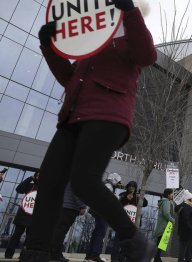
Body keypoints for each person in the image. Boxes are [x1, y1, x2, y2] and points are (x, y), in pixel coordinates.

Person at [22, 0, 157, 260]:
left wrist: (130, 11)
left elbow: (147, 55)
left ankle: (134, 240)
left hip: (108, 115)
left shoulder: (129, 35)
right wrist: (49, 46)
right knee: (49, 181)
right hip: (73, 119)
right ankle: (36, 252)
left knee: (84, 180)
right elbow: (69, 78)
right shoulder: (90, 43)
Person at [85, 172, 122, 262]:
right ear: (114, 180)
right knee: (100, 233)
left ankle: (89, 255)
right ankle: (94, 255)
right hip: (102, 213)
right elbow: (107, 200)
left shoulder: (105, 184)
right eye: (118, 182)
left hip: (98, 211)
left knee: (96, 233)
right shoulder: (108, 186)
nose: (118, 185)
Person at [112, 180, 149, 261]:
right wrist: (125, 198)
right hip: (122, 223)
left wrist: (141, 197)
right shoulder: (123, 195)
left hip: (132, 224)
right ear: (127, 187)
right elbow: (118, 203)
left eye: (133, 187)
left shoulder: (137, 196)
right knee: (117, 243)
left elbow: (145, 203)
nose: (131, 188)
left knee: (128, 245)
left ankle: (122, 259)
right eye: (130, 186)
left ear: (135, 188)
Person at [5, 173, 39, 259]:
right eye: (38, 175)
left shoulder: (45, 188)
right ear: (35, 176)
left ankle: (24, 256)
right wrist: (30, 178)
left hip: (35, 216)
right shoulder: (30, 185)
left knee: (29, 239)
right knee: (16, 235)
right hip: (23, 214)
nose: (40, 177)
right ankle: (8, 255)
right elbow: (19, 189)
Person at [50, 184, 86, 262]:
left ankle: (55, 253)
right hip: (69, 208)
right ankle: (55, 254)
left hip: (66, 207)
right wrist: (82, 206)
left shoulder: (69, 179)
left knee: (59, 231)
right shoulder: (75, 178)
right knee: (61, 231)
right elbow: (76, 192)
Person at [176, 191, 192, 262]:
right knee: (183, 248)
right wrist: (190, 228)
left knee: (187, 247)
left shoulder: (188, 206)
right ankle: (181, 260)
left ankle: (188, 260)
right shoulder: (186, 206)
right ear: (189, 198)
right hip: (187, 232)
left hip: (187, 231)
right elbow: (186, 219)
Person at [154, 189, 175, 262]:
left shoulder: (165, 202)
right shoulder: (166, 202)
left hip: (162, 225)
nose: (173, 195)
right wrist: (173, 220)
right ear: (168, 194)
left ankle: (157, 258)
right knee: (161, 243)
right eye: (172, 194)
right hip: (164, 226)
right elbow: (166, 213)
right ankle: (157, 259)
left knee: (160, 243)